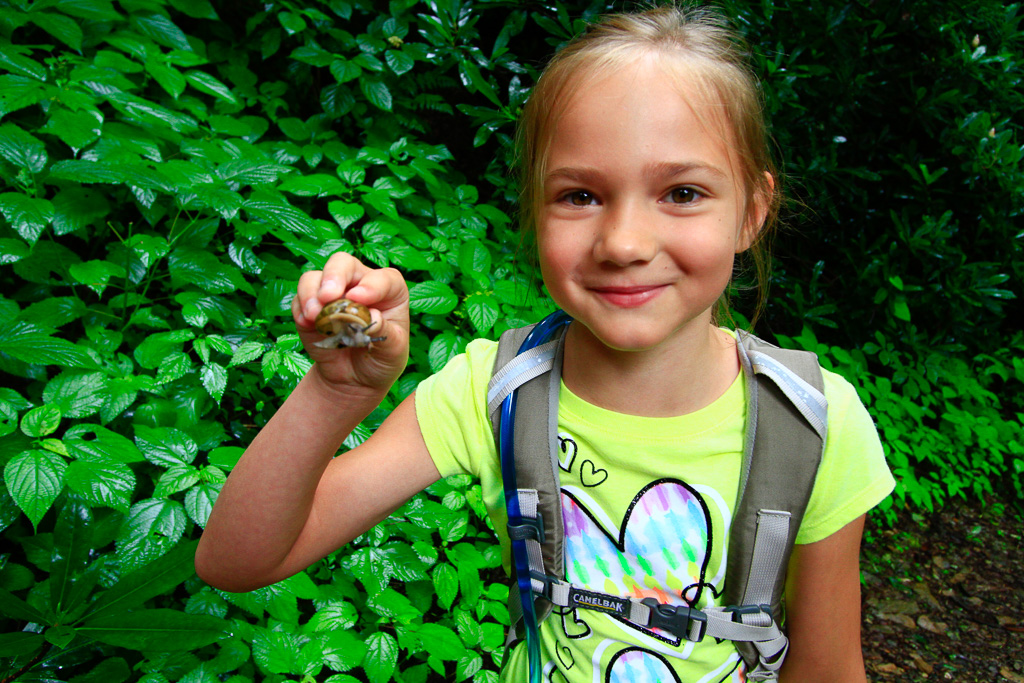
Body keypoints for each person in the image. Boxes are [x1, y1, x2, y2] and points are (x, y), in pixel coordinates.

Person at [196, 5, 895, 681]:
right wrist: (336, 392)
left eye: (682, 193)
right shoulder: (493, 392)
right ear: (535, 211)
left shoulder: (811, 423)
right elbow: (238, 561)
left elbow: (827, 668)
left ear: (751, 212)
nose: (624, 243)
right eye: (580, 196)